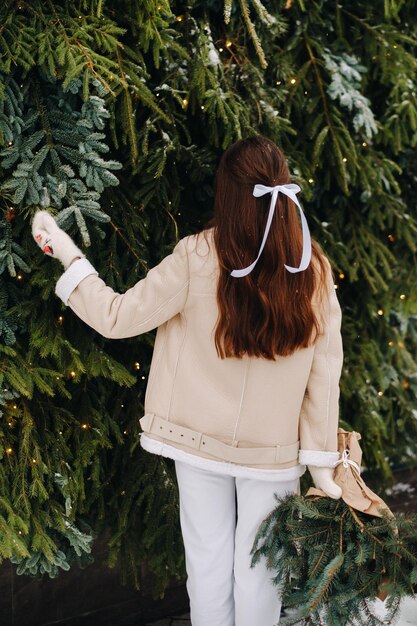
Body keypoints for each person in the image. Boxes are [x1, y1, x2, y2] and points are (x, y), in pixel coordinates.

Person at [32, 135, 343, 626]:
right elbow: (326, 373)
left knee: (208, 564)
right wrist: (321, 459)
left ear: (228, 195)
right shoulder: (313, 270)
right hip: (274, 453)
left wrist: (70, 258)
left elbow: (117, 316)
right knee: (262, 571)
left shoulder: (198, 255)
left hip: (196, 443)